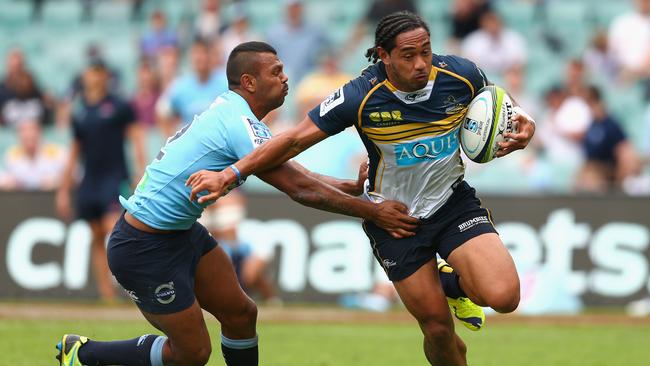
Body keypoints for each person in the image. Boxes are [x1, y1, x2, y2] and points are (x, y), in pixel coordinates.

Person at [188, 13, 536, 365]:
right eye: (408, 55)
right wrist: (230, 174)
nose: (421, 64)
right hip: (392, 218)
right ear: (383, 56)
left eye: (426, 52)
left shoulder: (462, 74)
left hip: (450, 202)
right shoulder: (360, 94)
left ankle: (449, 284)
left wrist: (527, 127)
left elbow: (503, 109)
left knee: (505, 296)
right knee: (438, 330)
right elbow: (292, 140)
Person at [55, 41, 418, 366]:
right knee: (192, 354)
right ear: (249, 82)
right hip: (142, 245)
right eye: (276, 72)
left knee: (241, 313)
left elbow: (286, 167)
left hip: (181, 234)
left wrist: (345, 186)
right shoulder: (237, 121)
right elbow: (299, 190)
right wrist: (374, 212)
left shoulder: (235, 115)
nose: (286, 78)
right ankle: (84, 354)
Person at [55, 59, 147, 302]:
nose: (94, 77)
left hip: (115, 176)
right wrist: (64, 189)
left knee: (113, 231)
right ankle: (107, 295)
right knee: (96, 236)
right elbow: (74, 151)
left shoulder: (119, 106)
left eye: (98, 72)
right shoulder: (80, 111)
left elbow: (136, 138)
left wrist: (141, 172)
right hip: (90, 180)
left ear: (105, 76)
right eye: (90, 72)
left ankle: (130, 283)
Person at [0, 119, 66, 190]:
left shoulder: (58, 153)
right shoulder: (11, 155)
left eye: (32, 129)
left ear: (40, 132)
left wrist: (56, 182)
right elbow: (3, 178)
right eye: (23, 131)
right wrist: (9, 183)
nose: (28, 134)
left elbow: (75, 177)